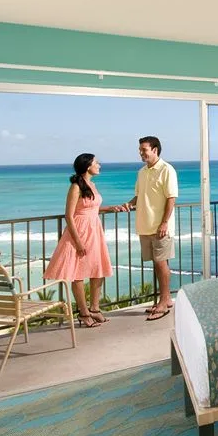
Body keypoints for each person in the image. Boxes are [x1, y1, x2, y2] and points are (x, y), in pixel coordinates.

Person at [44, 153, 123, 328]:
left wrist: (109, 208)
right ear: (88, 166)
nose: (99, 165)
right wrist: (78, 241)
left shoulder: (92, 185)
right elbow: (69, 215)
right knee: (77, 272)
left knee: (98, 269)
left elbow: (90, 207)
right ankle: (83, 312)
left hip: (94, 230)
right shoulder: (75, 187)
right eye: (96, 163)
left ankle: (94, 308)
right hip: (79, 231)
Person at [121, 136, 178, 322]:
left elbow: (171, 198)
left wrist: (164, 223)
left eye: (144, 150)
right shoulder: (142, 172)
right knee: (158, 263)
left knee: (161, 263)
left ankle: (163, 302)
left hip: (161, 227)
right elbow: (139, 195)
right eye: (140, 150)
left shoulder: (167, 170)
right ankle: (166, 299)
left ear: (155, 150)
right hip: (145, 226)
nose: (141, 153)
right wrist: (130, 203)